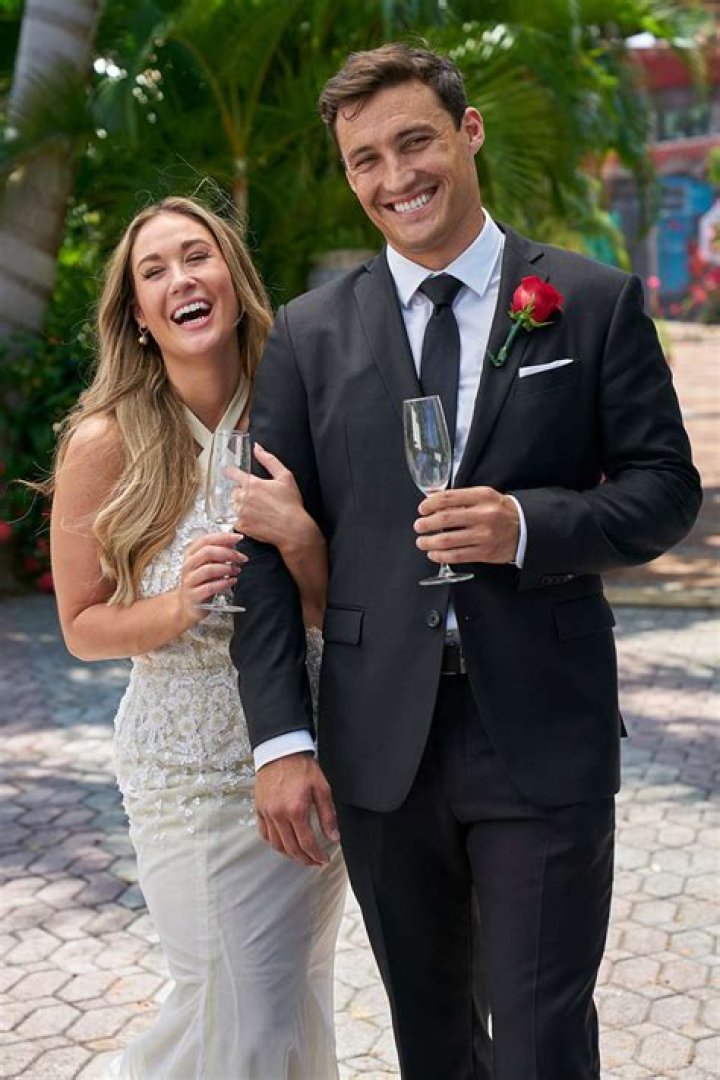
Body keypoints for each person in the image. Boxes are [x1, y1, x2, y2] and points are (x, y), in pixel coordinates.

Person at [231, 43, 703, 1080]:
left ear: (469, 131)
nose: (395, 177)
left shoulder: (591, 300)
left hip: (542, 723)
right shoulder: (307, 335)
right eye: (366, 160)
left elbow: (668, 488)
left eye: (416, 142)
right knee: (433, 1042)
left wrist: (527, 525)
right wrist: (281, 741)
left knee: (539, 1043)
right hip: (377, 740)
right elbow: (261, 547)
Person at [49, 196, 346, 1079]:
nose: (180, 279)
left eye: (196, 256)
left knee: (289, 1011)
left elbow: (347, 609)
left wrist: (302, 541)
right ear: (139, 315)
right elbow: (80, 626)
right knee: (232, 1014)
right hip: (190, 776)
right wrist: (177, 607)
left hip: (310, 764)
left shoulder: (302, 413)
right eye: (154, 271)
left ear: (233, 278)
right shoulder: (105, 442)